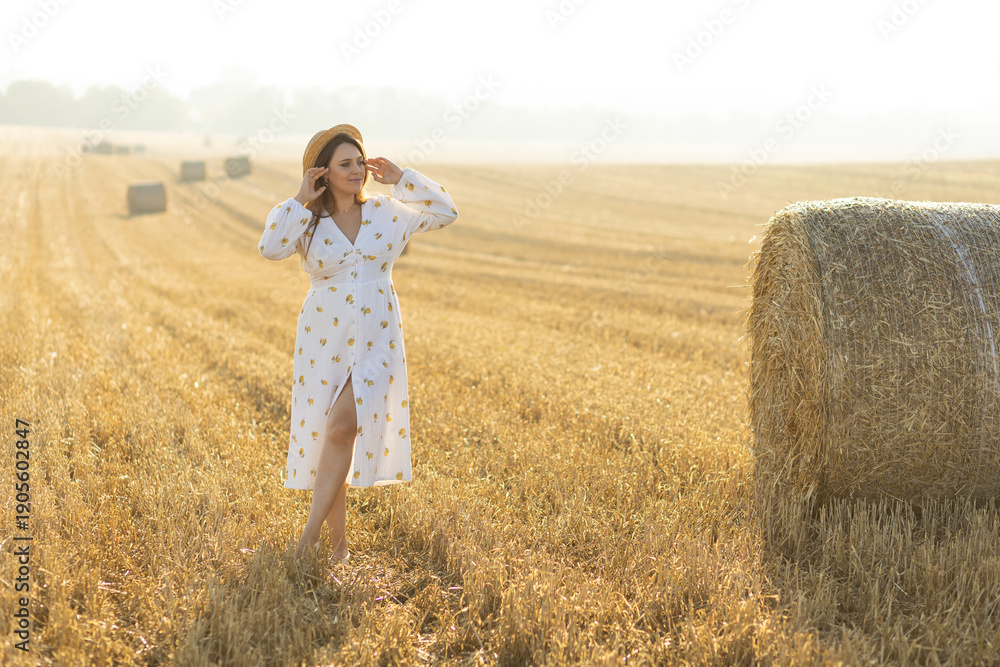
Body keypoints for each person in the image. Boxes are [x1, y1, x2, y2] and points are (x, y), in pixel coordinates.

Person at [258, 124, 459, 563]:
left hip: (377, 336)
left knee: (341, 427)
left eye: (359, 161)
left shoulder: (388, 212)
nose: (356, 170)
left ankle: (307, 540)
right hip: (322, 338)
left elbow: (447, 211)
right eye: (345, 163)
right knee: (334, 435)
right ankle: (339, 548)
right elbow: (270, 247)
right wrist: (300, 197)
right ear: (323, 172)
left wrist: (402, 178)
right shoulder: (307, 222)